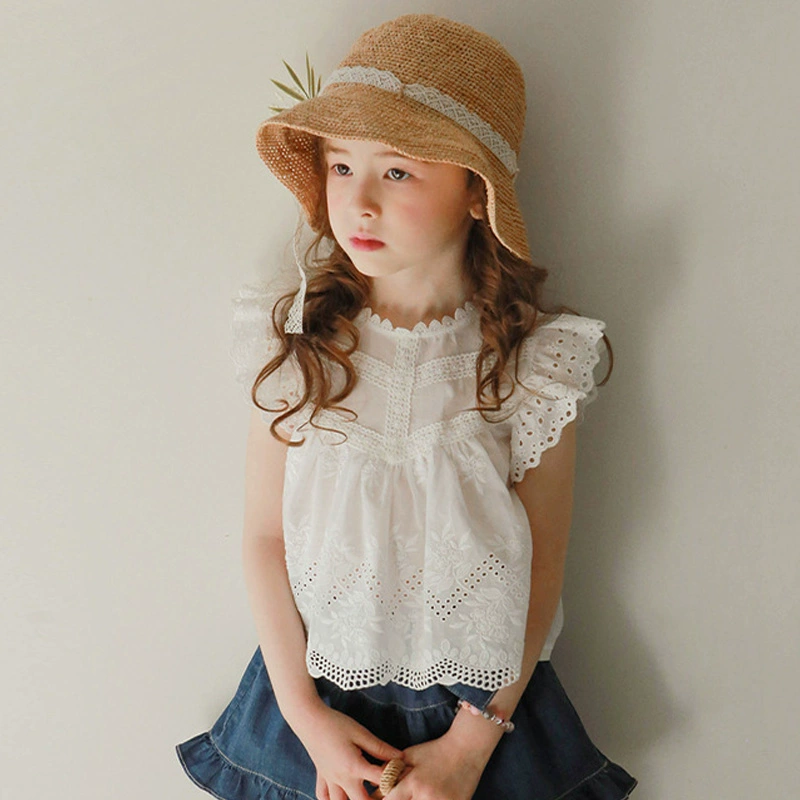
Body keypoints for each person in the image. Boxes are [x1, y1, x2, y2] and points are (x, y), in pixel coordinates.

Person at [176, 13, 637, 800]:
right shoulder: (297, 341)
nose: (358, 201)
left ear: (475, 192)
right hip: (315, 696)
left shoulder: (533, 364)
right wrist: (304, 718)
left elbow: (543, 565)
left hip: (482, 712)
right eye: (340, 165)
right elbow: (264, 538)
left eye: (396, 172)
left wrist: (468, 748)